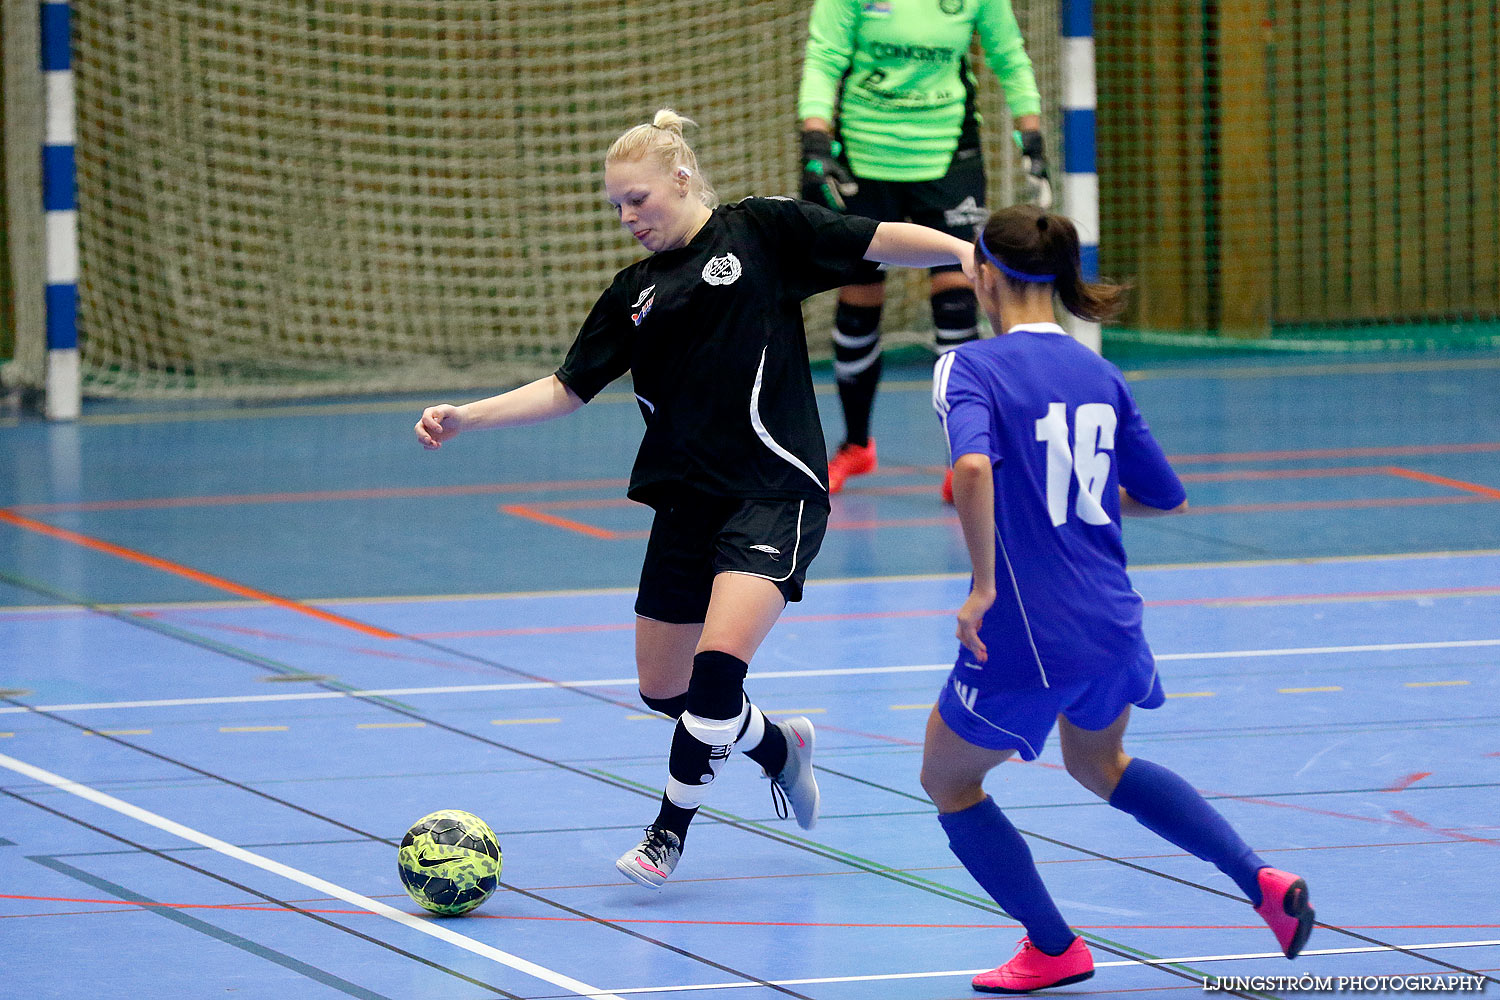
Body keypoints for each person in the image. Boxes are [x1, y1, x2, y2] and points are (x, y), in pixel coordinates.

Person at [415, 109, 974, 889]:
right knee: (665, 689)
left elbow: (875, 238)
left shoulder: (761, 232)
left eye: (636, 199)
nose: (627, 218)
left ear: (681, 179)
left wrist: (963, 252)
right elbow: (566, 387)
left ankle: (665, 834)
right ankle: (780, 747)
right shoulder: (634, 292)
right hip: (686, 503)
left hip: (775, 491)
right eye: (615, 206)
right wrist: (466, 415)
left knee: (714, 675)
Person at [921, 204, 1315, 993]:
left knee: (948, 781)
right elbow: (1166, 499)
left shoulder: (970, 368)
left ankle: (1054, 946)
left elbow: (971, 470)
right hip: (1112, 621)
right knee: (1100, 764)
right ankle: (1261, 881)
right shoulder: (1099, 373)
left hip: (1030, 631)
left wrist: (983, 585)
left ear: (985, 274)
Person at [797, 0, 1052, 500]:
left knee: (958, 301)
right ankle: (855, 445)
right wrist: (814, 138)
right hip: (862, 157)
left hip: (948, 158)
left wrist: (1032, 134)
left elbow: (1009, 55)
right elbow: (824, 56)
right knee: (858, 301)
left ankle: (964, 457)